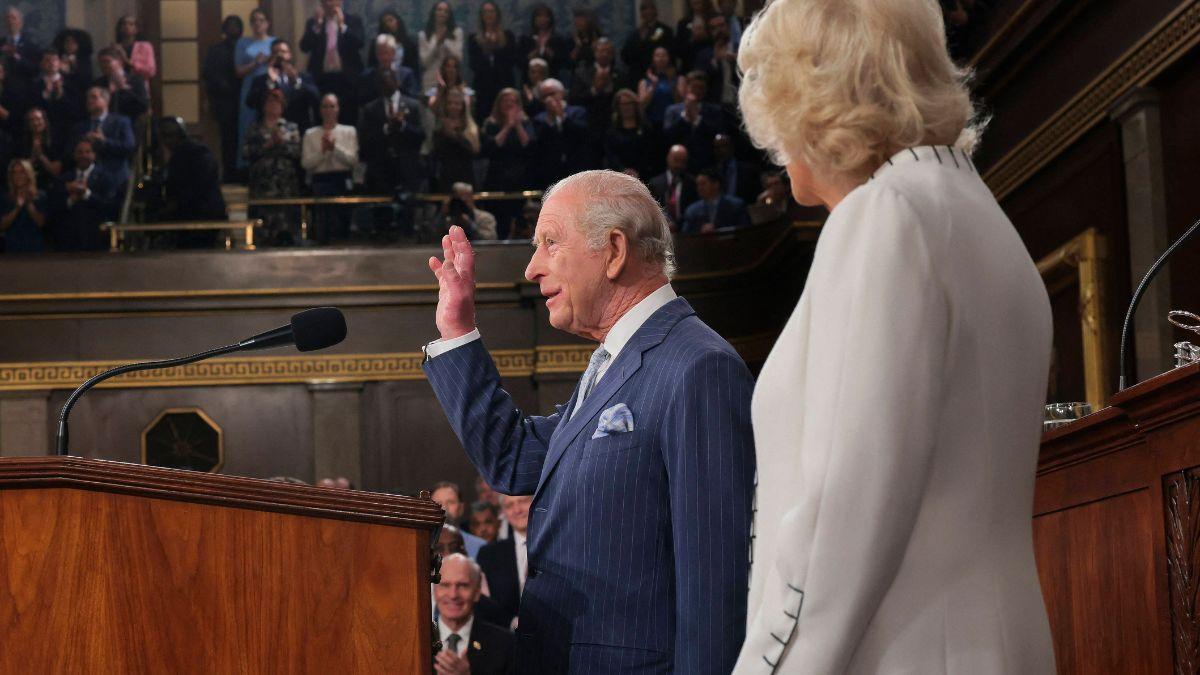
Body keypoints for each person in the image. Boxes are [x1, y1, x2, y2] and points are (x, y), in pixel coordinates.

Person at [731, 0, 1056, 672]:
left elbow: (839, 521)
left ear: (809, 96)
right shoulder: (977, 214)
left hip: (900, 651)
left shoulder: (886, 215)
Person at [423, 169, 756, 673]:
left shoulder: (697, 367)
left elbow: (715, 588)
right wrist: (458, 331)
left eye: (550, 243)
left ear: (614, 251)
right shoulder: (612, 366)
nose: (532, 268)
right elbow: (512, 458)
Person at [434, 554, 516, 675]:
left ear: (477, 592)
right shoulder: (415, 640)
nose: (453, 595)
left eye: (463, 585)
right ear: (434, 591)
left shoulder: (507, 645)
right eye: (445, 585)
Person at [157, 116, 226, 246]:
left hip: (202, 214)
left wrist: (177, 203)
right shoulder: (180, 155)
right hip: (191, 213)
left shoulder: (197, 152)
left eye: (170, 135)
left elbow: (201, 185)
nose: (166, 141)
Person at [244, 89, 301, 244]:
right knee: (263, 230)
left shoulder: (291, 128)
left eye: (277, 103)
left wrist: (281, 144)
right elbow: (246, 153)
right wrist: (267, 146)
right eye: (270, 102)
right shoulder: (254, 128)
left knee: (284, 228)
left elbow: (297, 152)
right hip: (262, 185)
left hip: (285, 186)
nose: (273, 106)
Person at [301, 93, 357, 244]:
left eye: (332, 106)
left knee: (342, 221)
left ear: (338, 109)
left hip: (342, 179)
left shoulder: (349, 131)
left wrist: (335, 148)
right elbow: (306, 163)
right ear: (320, 110)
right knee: (322, 222)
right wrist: (323, 152)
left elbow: (352, 160)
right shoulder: (310, 134)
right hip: (320, 180)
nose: (328, 110)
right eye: (325, 106)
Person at [357, 69, 423, 195]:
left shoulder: (413, 105)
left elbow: (420, 136)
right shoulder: (370, 109)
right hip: (381, 172)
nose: (386, 84)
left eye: (389, 80)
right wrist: (386, 129)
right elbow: (365, 142)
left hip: (407, 170)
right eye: (382, 82)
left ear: (397, 82)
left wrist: (403, 125)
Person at [299, 0, 365, 124]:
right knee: (321, 119)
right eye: (325, 1)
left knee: (348, 118)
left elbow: (359, 43)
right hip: (321, 80)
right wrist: (317, 27)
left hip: (346, 81)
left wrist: (342, 26)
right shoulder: (313, 22)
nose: (329, 4)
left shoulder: (353, 20)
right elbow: (304, 47)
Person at [48, 138, 117, 251]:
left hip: (96, 238)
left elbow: (110, 206)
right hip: (68, 241)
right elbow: (53, 207)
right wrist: (70, 200)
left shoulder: (106, 178)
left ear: (94, 155)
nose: (83, 155)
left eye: (87, 152)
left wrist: (86, 194)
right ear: (74, 155)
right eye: (79, 152)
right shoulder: (64, 179)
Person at [474, 494, 531, 628]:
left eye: (522, 501)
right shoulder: (489, 554)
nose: (517, 510)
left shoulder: (556, 547)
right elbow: (483, 601)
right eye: (510, 505)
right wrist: (512, 623)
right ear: (503, 512)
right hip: (506, 637)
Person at [202, 15, 244, 179]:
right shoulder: (216, 50)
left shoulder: (245, 48)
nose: (233, 28)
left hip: (244, 99)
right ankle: (229, 172)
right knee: (228, 138)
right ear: (224, 29)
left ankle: (243, 171)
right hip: (224, 100)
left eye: (236, 25)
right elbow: (208, 73)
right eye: (230, 25)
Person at [245, 39, 320, 130]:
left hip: (298, 130)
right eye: (276, 52)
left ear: (290, 55)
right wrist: (270, 82)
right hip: (268, 132)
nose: (280, 55)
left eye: (283, 52)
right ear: (271, 56)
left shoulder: (303, 77)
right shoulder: (261, 80)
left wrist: (297, 81)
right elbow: (250, 102)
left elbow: (316, 98)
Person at [73, 86, 135, 192]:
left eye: (94, 97)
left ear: (106, 101)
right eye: (88, 98)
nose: (89, 101)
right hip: (87, 180)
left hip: (116, 178)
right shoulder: (80, 127)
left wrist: (105, 141)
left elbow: (129, 147)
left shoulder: (120, 122)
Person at [234, 9, 275, 170]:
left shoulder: (274, 42)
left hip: (270, 87)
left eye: (261, 20)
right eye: (254, 20)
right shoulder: (243, 43)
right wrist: (256, 63)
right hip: (250, 87)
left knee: (271, 120)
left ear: (267, 23)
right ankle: (246, 166)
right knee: (248, 123)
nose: (258, 23)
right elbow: (238, 71)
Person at [663, 70, 724, 172]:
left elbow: (716, 134)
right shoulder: (672, 110)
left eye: (701, 87)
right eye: (694, 86)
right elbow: (667, 136)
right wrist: (685, 116)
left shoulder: (714, 110)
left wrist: (696, 119)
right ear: (687, 87)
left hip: (705, 163)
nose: (697, 91)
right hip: (679, 163)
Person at [531, 78, 588, 186]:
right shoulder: (539, 119)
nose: (548, 99)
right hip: (550, 172)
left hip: (575, 167)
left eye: (552, 94)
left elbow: (582, 134)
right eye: (544, 96)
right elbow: (538, 144)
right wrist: (550, 119)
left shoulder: (577, 112)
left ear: (562, 93)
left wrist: (562, 115)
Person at [467, 2, 516, 122]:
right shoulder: (473, 39)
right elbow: (473, 65)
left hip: (504, 84)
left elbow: (512, 61)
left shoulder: (508, 36)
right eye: (485, 12)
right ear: (481, 16)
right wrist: (486, 50)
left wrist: (496, 48)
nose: (488, 15)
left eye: (491, 11)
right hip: (482, 87)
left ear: (497, 14)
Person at [481, 88, 534, 195]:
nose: (509, 104)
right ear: (499, 104)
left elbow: (529, 146)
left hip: (520, 176)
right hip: (496, 176)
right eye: (505, 100)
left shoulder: (526, 123)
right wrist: (508, 126)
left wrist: (518, 124)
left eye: (512, 101)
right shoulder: (491, 123)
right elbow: (492, 146)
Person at [429, 86, 479, 191]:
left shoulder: (470, 127)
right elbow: (436, 152)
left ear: (463, 106)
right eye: (450, 103)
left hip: (465, 176)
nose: (453, 106)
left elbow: (474, 151)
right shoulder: (440, 127)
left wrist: (455, 136)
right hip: (445, 177)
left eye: (457, 103)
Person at [604, 89, 655, 179]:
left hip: (642, 174)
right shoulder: (612, 131)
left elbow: (648, 153)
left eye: (629, 103)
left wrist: (636, 171)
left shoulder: (645, 129)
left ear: (635, 105)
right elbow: (611, 154)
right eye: (623, 104)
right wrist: (623, 170)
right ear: (618, 107)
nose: (626, 107)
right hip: (617, 175)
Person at [682, 167, 749, 233]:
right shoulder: (692, 211)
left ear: (716, 184)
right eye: (698, 185)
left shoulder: (736, 205)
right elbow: (686, 235)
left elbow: (745, 230)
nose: (699, 188)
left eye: (703, 184)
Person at [0, 159, 46, 253]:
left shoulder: (40, 196)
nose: (18, 176)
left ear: (29, 175)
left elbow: (41, 222)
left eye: (22, 172)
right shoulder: (6, 198)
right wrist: (17, 208)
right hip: (12, 247)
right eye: (14, 173)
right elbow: (2, 225)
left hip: (34, 247)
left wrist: (29, 203)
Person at [646, 144, 697, 229]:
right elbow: (652, 209)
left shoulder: (691, 183)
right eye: (676, 160)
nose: (678, 165)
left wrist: (678, 225)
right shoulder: (655, 183)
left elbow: (692, 210)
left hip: (685, 230)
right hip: (661, 228)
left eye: (682, 161)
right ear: (668, 158)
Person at [432, 480, 487, 558]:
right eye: (438, 503)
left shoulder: (480, 547)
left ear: (461, 508)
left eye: (450, 502)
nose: (444, 508)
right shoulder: (421, 545)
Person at [358, 34, 419, 103]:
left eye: (386, 52)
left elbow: (414, 100)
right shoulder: (368, 76)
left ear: (393, 53)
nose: (384, 57)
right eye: (380, 53)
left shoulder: (406, 75)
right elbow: (363, 101)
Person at [418, 2, 464, 93]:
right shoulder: (423, 35)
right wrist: (437, 43)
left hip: (451, 80)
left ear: (449, 15)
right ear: (434, 12)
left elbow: (458, 58)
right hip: (430, 80)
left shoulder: (457, 33)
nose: (442, 13)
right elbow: (424, 62)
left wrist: (445, 42)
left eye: (446, 11)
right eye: (439, 10)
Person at [622, 0, 674, 78]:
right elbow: (625, 56)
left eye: (651, 8)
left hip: (660, 75)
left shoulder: (665, 31)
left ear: (656, 11)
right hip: (638, 76)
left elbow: (671, 54)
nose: (648, 11)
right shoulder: (635, 34)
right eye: (644, 9)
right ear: (641, 13)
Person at [95, 47, 150, 120]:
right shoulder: (98, 83)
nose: (103, 65)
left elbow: (144, 106)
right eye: (101, 62)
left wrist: (124, 88)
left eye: (107, 61)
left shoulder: (135, 81)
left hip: (130, 122)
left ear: (120, 62)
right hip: (105, 124)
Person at [517, 5, 569, 82]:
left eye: (546, 16)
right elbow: (518, 62)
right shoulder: (525, 38)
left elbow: (564, 62)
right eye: (539, 16)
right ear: (534, 19)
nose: (542, 19)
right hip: (528, 81)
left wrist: (552, 55)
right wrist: (531, 56)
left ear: (550, 19)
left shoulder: (557, 39)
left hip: (552, 79)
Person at [32, 51, 81, 134]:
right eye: (47, 60)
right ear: (41, 64)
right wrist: (45, 94)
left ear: (59, 63)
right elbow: (32, 108)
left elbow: (77, 109)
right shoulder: (34, 85)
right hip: (43, 129)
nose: (51, 63)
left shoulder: (71, 82)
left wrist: (61, 95)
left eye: (54, 60)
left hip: (67, 128)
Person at [19, 107, 66, 192]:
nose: (35, 123)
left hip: (50, 185)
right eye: (31, 120)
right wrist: (33, 157)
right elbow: (19, 173)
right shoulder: (23, 143)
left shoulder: (56, 142)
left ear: (44, 121)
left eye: (38, 119)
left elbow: (56, 171)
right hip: (27, 186)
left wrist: (40, 156)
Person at [635, 46, 681, 128]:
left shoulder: (679, 79)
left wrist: (671, 82)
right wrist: (653, 85)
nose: (661, 58)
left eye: (664, 55)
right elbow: (642, 105)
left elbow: (680, 102)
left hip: (674, 123)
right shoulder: (644, 82)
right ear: (653, 59)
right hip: (652, 124)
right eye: (658, 55)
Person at [713, 132, 760, 205]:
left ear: (731, 147)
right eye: (717, 147)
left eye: (724, 146)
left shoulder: (748, 171)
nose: (720, 150)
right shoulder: (712, 172)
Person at [368, 10, 420, 75]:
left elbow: (415, 69)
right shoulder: (376, 44)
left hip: (405, 80)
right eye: (385, 22)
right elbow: (372, 66)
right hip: (381, 80)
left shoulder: (410, 44)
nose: (388, 24)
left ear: (397, 21)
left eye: (390, 20)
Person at [112, 14, 156, 88]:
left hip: (139, 87)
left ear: (136, 29)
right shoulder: (115, 47)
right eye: (124, 24)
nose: (127, 26)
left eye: (131, 24)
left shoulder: (145, 46)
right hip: (118, 87)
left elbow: (150, 71)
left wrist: (126, 60)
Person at [674, 0, 713, 72]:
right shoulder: (683, 23)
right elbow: (678, 51)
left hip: (711, 68)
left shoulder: (713, 19)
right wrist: (692, 40)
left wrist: (705, 37)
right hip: (689, 68)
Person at [0, 8, 39, 78]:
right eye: (7, 18)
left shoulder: (31, 46)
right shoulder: (1, 44)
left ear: (21, 22)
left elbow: (35, 70)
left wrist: (16, 57)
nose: (10, 21)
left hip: (22, 86)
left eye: (13, 18)